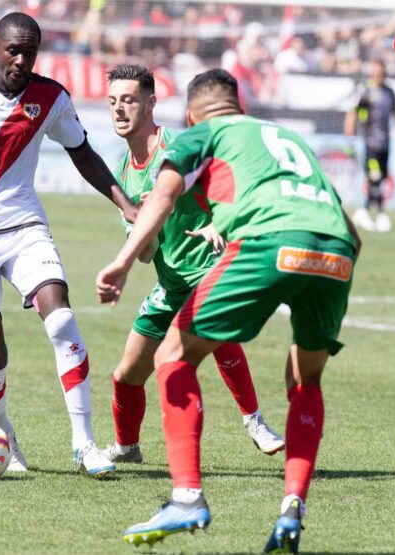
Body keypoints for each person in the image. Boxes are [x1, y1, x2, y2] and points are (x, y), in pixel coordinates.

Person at [96, 69, 361, 552]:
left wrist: (120, 262)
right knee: (305, 382)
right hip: (335, 251)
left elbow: (166, 193)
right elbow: (349, 227)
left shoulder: (201, 133)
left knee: (173, 357)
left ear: (191, 114)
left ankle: (187, 497)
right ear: (239, 104)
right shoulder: (288, 138)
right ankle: (291, 510)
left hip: (267, 242)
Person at [0, 12, 137, 479]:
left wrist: (124, 202)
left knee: (61, 317)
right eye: (12, 50)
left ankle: (85, 445)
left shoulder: (50, 97)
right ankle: (4, 436)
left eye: (29, 52)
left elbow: (83, 153)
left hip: (24, 227)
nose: (20, 60)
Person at [101, 64, 283, 465]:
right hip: (171, 283)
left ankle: (254, 420)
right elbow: (146, 253)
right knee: (126, 375)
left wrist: (220, 223)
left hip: (209, 269)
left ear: (151, 103)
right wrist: (145, 228)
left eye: (128, 100)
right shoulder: (122, 174)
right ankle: (127, 448)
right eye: (112, 101)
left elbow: (230, 188)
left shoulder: (182, 148)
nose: (119, 109)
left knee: (210, 323)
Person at [344, 59, 395, 233]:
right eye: (375, 72)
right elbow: (353, 113)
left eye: (381, 72)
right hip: (370, 143)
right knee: (375, 176)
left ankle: (364, 211)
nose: (378, 75)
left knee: (382, 178)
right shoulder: (365, 91)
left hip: (385, 143)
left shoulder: (390, 93)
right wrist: (350, 136)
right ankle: (380, 213)